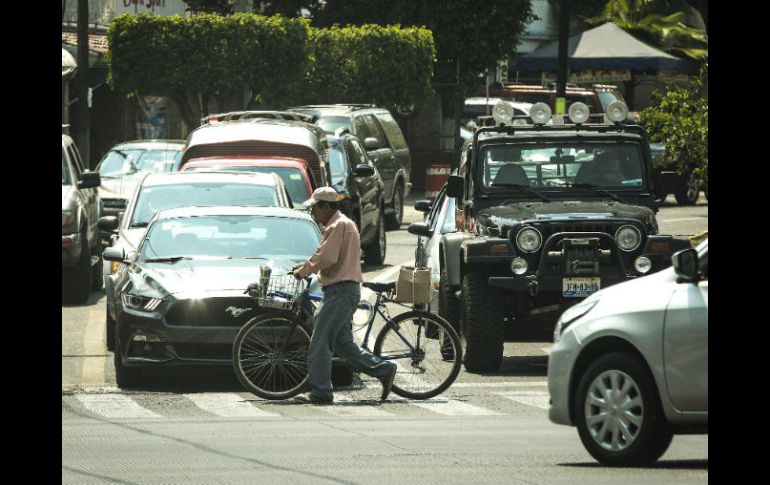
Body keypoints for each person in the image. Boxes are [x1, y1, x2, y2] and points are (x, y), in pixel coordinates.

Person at [291, 186, 397, 404]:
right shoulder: (340, 224)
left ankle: (320, 391)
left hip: (340, 291)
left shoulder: (339, 225)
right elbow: (326, 255)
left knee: (319, 343)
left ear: (326, 206)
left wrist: (305, 270)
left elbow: (326, 257)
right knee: (343, 345)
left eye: (314, 208)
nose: (312, 213)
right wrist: (308, 265)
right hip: (342, 290)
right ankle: (384, 369)